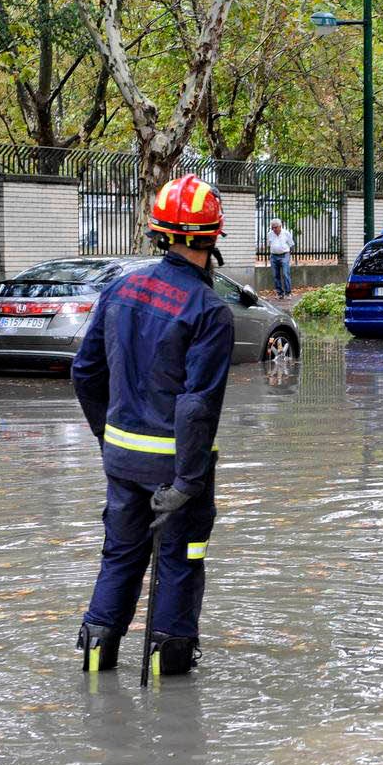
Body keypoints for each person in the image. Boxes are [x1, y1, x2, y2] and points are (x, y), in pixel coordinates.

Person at [71, 174, 235, 678]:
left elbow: (85, 372)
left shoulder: (120, 289)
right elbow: (194, 407)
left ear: (161, 233)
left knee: (119, 558)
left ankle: (97, 665)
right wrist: (187, 482)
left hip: (121, 461)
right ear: (210, 238)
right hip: (178, 470)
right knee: (180, 564)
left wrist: (109, 440)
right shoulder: (210, 311)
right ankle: (171, 686)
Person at [267, 218, 294, 299]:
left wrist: (289, 255)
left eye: (275, 227)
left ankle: (288, 293)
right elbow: (269, 245)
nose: (274, 229)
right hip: (274, 256)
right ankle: (280, 294)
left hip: (285, 255)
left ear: (280, 226)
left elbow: (291, 244)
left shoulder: (286, 233)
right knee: (276, 275)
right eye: (272, 228)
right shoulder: (270, 234)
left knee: (286, 274)